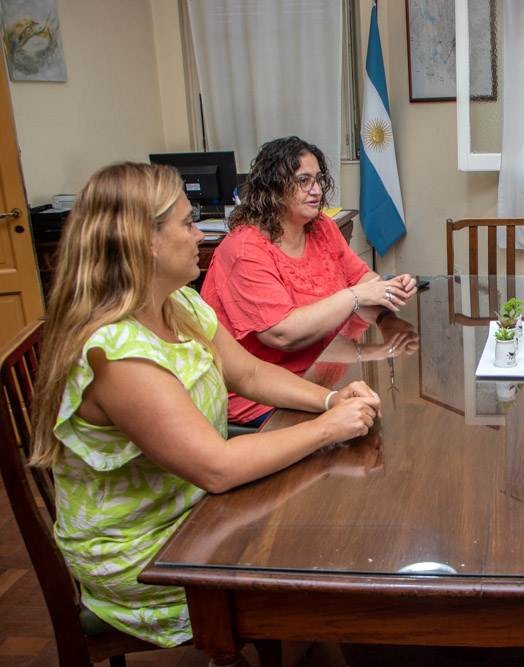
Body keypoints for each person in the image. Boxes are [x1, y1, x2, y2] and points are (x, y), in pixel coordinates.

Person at [29, 162, 382, 648]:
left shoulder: (180, 304)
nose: (200, 232)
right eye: (185, 221)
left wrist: (329, 398)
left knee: (338, 524)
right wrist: (329, 428)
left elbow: (250, 373)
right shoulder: (117, 355)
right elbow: (216, 468)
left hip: (197, 506)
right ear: (144, 241)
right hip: (149, 551)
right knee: (334, 557)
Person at [201, 136, 417, 426]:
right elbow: (282, 334)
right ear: (273, 187)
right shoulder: (244, 250)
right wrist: (357, 296)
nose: (316, 190)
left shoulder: (321, 226)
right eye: (304, 181)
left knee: (393, 416)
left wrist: (387, 289)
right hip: (263, 396)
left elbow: (362, 277)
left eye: (318, 179)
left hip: (323, 367)